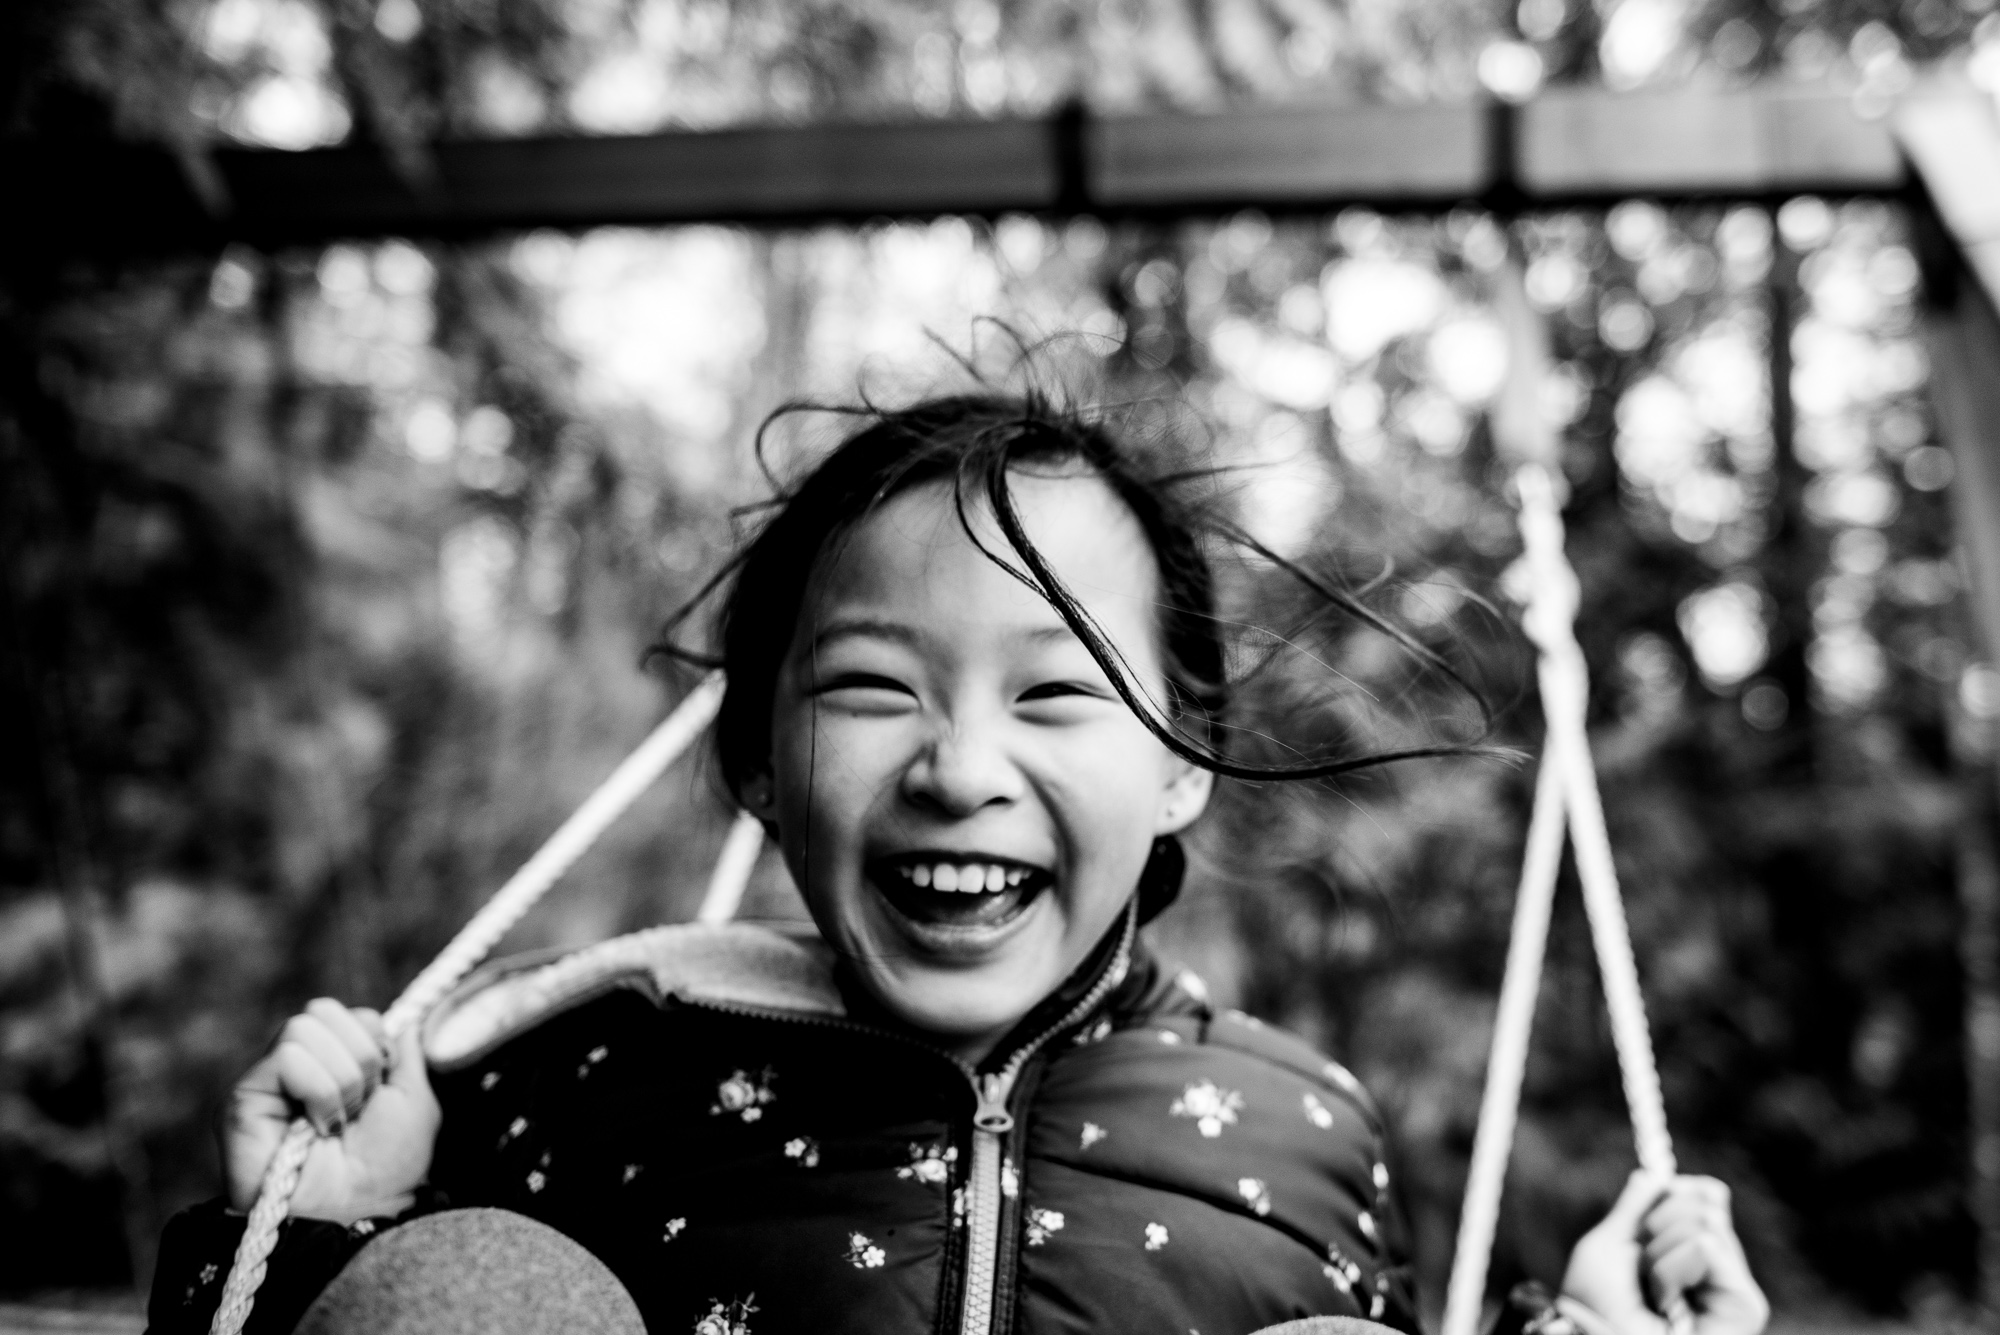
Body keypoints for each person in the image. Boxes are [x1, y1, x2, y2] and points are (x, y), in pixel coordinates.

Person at [147, 385, 1771, 1335]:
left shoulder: (1301, 1126)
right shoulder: (575, 1080)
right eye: (872, 688)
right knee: (468, 1290)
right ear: (763, 769)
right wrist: (323, 1238)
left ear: (1182, 768)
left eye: (1058, 694)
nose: (961, 769)